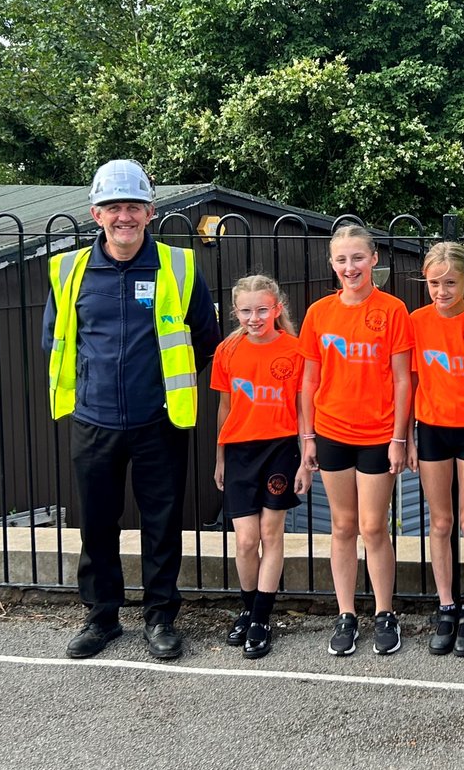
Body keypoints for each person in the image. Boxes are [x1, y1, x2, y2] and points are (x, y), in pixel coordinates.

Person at [44, 159, 221, 660]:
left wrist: (165, 391)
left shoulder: (180, 266)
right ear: (96, 214)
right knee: (96, 522)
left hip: (158, 421)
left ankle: (161, 617)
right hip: (93, 420)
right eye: (113, 207)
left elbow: (205, 340)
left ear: (150, 212)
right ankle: (101, 617)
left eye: (134, 206)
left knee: (161, 522)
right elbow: (56, 341)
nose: (124, 216)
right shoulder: (69, 270)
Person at [299, 225, 414, 657]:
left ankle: (385, 611)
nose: (351, 267)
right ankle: (346, 613)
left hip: (378, 434)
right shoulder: (318, 313)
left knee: (372, 526)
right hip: (330, 433)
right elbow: (309, 379)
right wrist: (307, 437)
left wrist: (399, 437)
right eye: (342, 260)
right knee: (343, 527)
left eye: (358, 258)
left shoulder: (394, 310)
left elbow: (404, 380)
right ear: (332, 264)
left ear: (374, 260)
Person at [407, 243, 464, 657]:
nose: (441, 291)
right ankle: (446, 605)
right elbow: (409, 382)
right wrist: (407, 436)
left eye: (450, 283)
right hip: (430, 430)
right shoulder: (416, 322)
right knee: (440, 522)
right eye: (434, 283)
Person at [211, 275, 311, 659]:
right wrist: (220, 457)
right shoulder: (228, 350)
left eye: (262, 309)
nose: (255, 317)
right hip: (239, 451)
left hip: (280, 449)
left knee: (271, 533)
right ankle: (247, 606)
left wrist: (305, 457)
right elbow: (224, 408)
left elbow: (303, 408)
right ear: (236, 312)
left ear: (277, 309)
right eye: (246, 310)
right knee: (245, 539)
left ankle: (260, 619)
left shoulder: (295, 349)